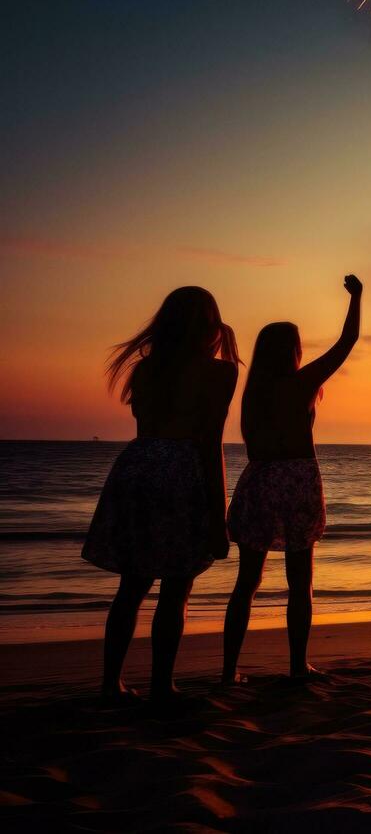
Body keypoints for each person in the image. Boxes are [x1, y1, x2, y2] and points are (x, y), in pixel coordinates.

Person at [84, 287, 239, 706]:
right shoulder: (220, 372)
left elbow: (145, 426)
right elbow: (209, 442)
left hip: (137, 465)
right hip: (181, 469)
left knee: (131, 586)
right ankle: (160, 684)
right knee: (176, 587)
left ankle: (109, 683)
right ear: (210, 323)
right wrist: (218, 515)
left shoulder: (145, 369)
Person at [221, 275, 363, 686]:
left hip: (260, 480)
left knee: (247, 581)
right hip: (297, 479)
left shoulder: (253, 393)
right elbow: (347, 341)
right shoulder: (302, 384)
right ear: (293, 353)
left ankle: (229, 671)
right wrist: (356, 297)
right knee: (300, 581)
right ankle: (298, 665)